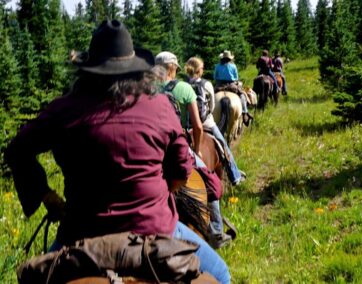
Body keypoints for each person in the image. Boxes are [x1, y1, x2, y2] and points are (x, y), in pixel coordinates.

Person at [5, 20, 230, 283]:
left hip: (81, 233)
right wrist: (153, 195)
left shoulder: (64, 108)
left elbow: (17, 150)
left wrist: (47, 196)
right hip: (155, 231)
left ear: (88, 70)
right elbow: (181, 171)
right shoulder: (160, 106)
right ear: (136, 70)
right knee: (221, 274)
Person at [185, 56, 246, 248]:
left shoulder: (182, 85)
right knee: (223, 145)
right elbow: (211, 107)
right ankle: (234, 174)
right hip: (206, 123)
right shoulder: (206, 84)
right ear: (200, 70)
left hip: (185, 126)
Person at [154, 51, 204, 165]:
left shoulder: (146, 88)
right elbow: (198, 126)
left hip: (153, 144)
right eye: (176, 69)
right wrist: (197, 150)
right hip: (177, 144)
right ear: (171, 68)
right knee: (208, 177)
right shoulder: (185, 88)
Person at [213, 50, 253, 126]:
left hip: (220, 85)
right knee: (242, 94)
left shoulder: (217, 66)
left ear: (222, 58)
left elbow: (215, 77)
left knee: (210, 96)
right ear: (229, 58)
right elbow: (236, 78)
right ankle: (245, 112)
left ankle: (208, 112)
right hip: (232, 84)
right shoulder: (233, 66)